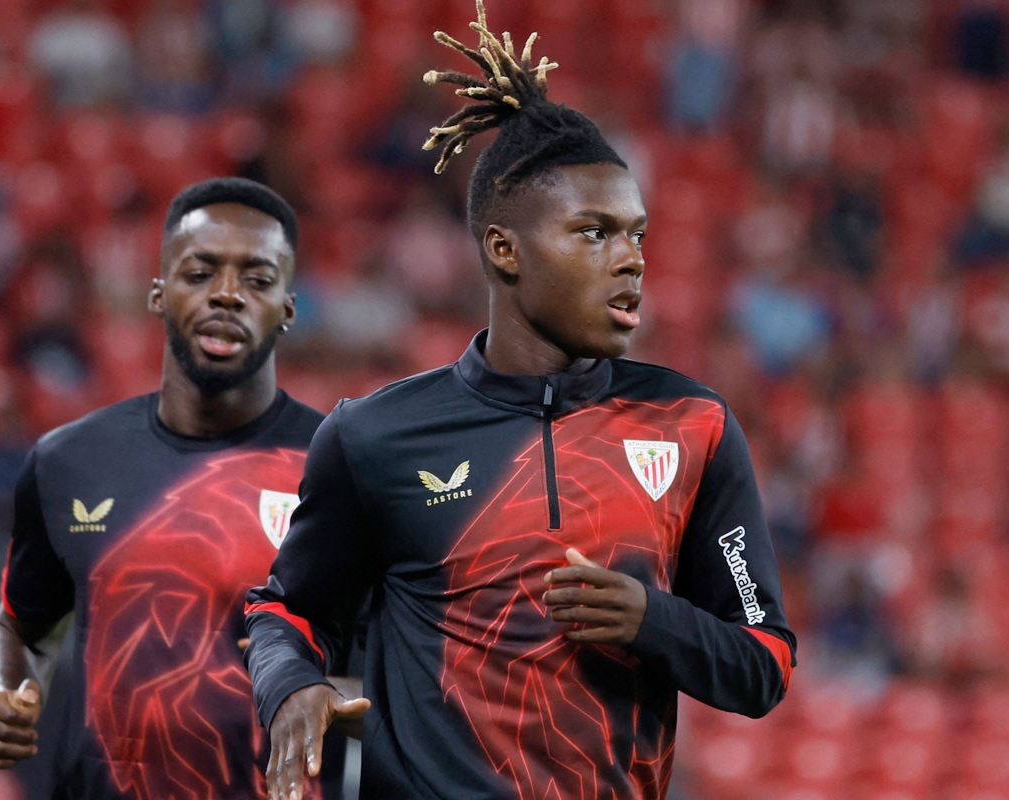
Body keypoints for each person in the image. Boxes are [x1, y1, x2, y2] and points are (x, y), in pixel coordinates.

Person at [245, 5, 796, 799]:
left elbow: (765, 662)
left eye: (637, 234)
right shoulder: (374, 436)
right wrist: (290, 686)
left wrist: (652, 620)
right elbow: (287, 613)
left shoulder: (694, 427)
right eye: (594, 233)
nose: (631, 261)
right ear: (505, 249)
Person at [0, 178, 352, 800]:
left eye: (257, 280)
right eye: (199, 273)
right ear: (158, 292)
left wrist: (331, 696)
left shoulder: (342, 468)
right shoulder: (68, 462)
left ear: (288, 307)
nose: (227, 294)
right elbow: (17, 628)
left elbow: (412, 672)